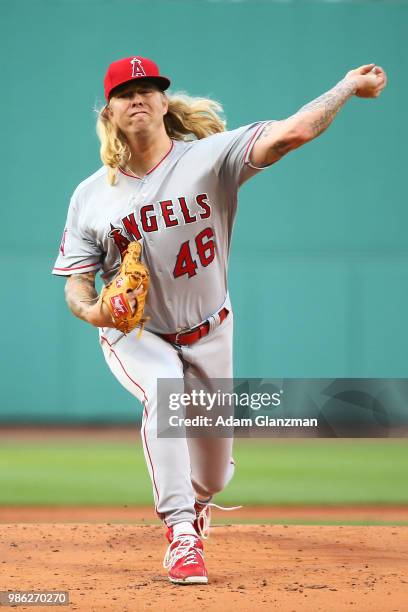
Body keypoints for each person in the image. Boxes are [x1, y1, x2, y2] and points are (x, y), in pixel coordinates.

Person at [52, 55, 387, 584]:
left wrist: (346, 86)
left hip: (211, 329)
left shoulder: (211, 157)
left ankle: (200, 501)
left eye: (148, 88)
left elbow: (293, 132)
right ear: (109, 112)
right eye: (124, 92)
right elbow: (76, 281)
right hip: (134, 333)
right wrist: (95, 310)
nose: (137, 97)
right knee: (164, 392)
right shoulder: (91, 195)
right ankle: (181, 535)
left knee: (213, 475)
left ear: (165, 102)